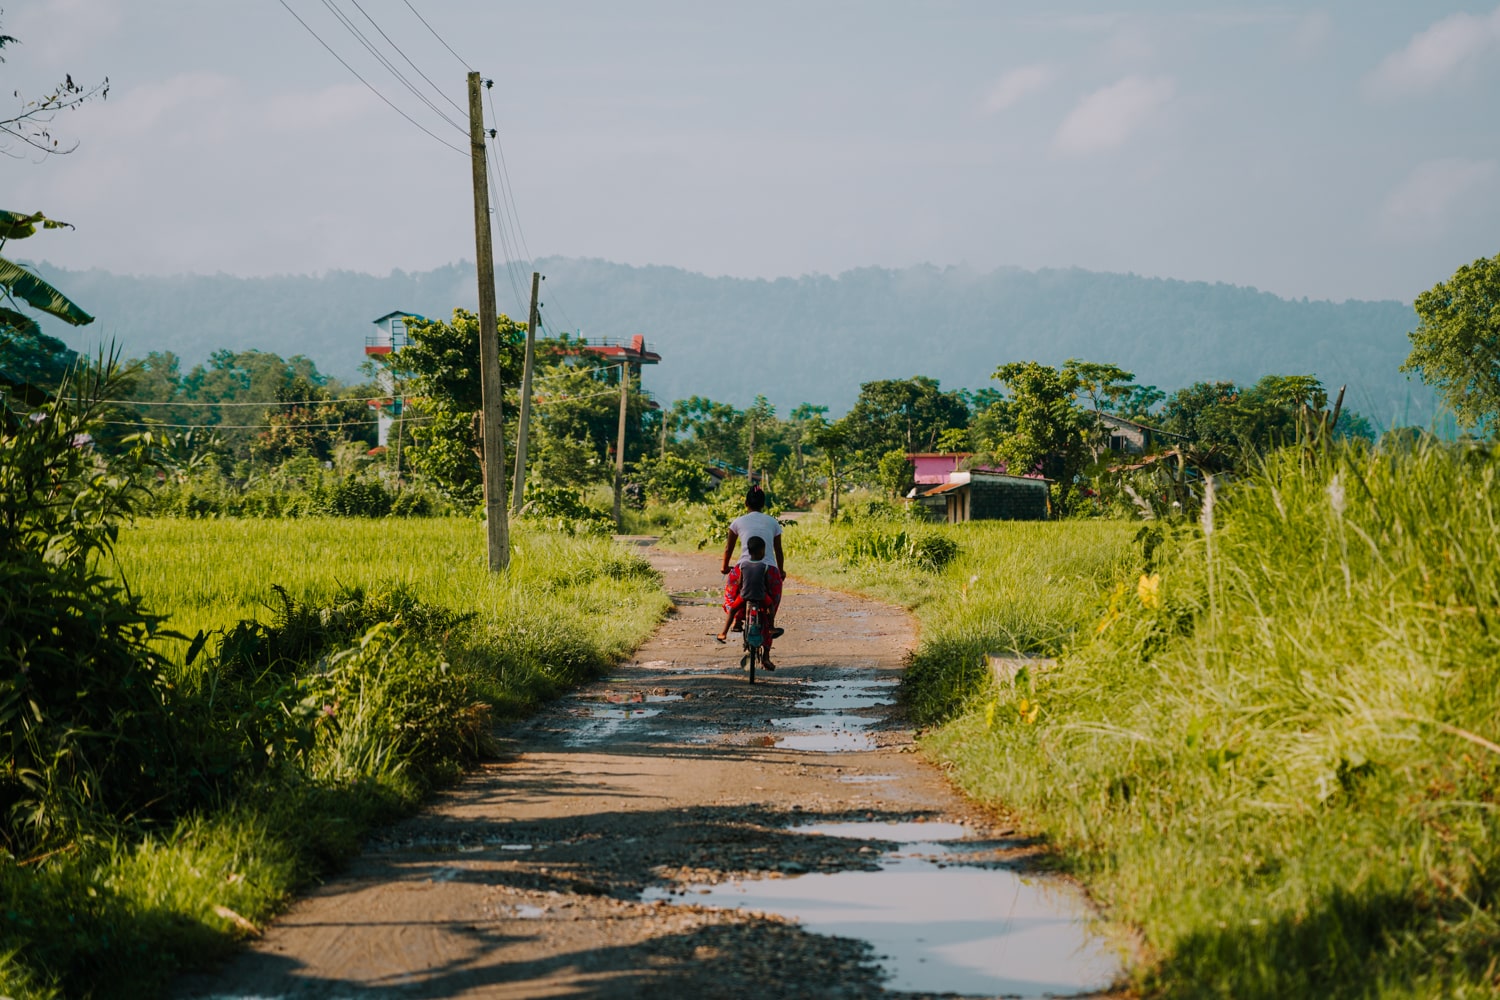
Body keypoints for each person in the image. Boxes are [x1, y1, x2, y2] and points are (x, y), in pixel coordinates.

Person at [719, 486, 786, 665]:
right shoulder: (773, 523)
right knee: (769, 607)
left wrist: (725, 567)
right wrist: (780, 571)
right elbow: (778, 551)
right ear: (763, 504)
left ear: (746, 503)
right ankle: (766, 656)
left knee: (733, 595)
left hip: (744, 568)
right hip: (769, 570)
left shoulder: (737, 522)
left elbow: (728, 549)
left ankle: (737, 620)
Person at [716, 535, 783, 666]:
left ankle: (723, 632)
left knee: (733, 610)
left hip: (744, 596)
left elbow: (740, 582)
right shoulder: (765, 566)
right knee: (770, 608)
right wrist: (766, 593)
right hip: (761, 596)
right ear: (762, 552)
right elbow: (767, 584)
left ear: (748, 552)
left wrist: (742, 591)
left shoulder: (742, 566)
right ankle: (771, 627)